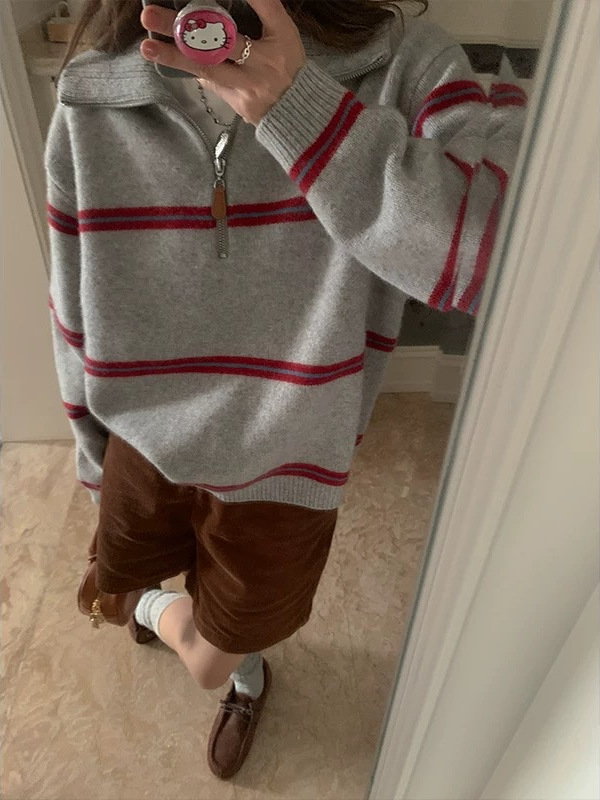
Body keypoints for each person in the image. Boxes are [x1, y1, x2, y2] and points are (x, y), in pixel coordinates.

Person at [45, 0, 526, 780]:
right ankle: (166, 611)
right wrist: (91, 453)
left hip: (287, 459)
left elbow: (500, 262)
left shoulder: (406, 62)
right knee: (131, 566)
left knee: (217, 648)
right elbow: (70, 301)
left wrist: (299, 108)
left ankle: (228, 666)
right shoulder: (94, 88)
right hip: (140, 439)